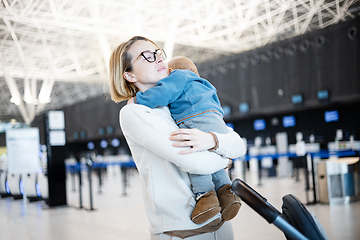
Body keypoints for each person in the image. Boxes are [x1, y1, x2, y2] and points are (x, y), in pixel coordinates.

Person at [109, 36, 246, 239]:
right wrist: (225, 155)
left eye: (157, 53)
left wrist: (213, 141)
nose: (157, 59)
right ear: (128, 75)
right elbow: (195, 162)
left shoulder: (179, 104)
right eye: (146, 56)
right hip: (182, 232)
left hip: (221, 225)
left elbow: (239, 145)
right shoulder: (135, 112)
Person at [131, 55, 241, 224]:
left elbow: (162, 94)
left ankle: (206, 198)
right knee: (210, 155)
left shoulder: (178, 77)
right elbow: (233, 140)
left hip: (194, 118)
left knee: (193, 150)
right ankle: (227, 194)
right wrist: (223, 158)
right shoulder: (204, 83)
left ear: (170, 71)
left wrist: (138, 99)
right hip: (217, 120)